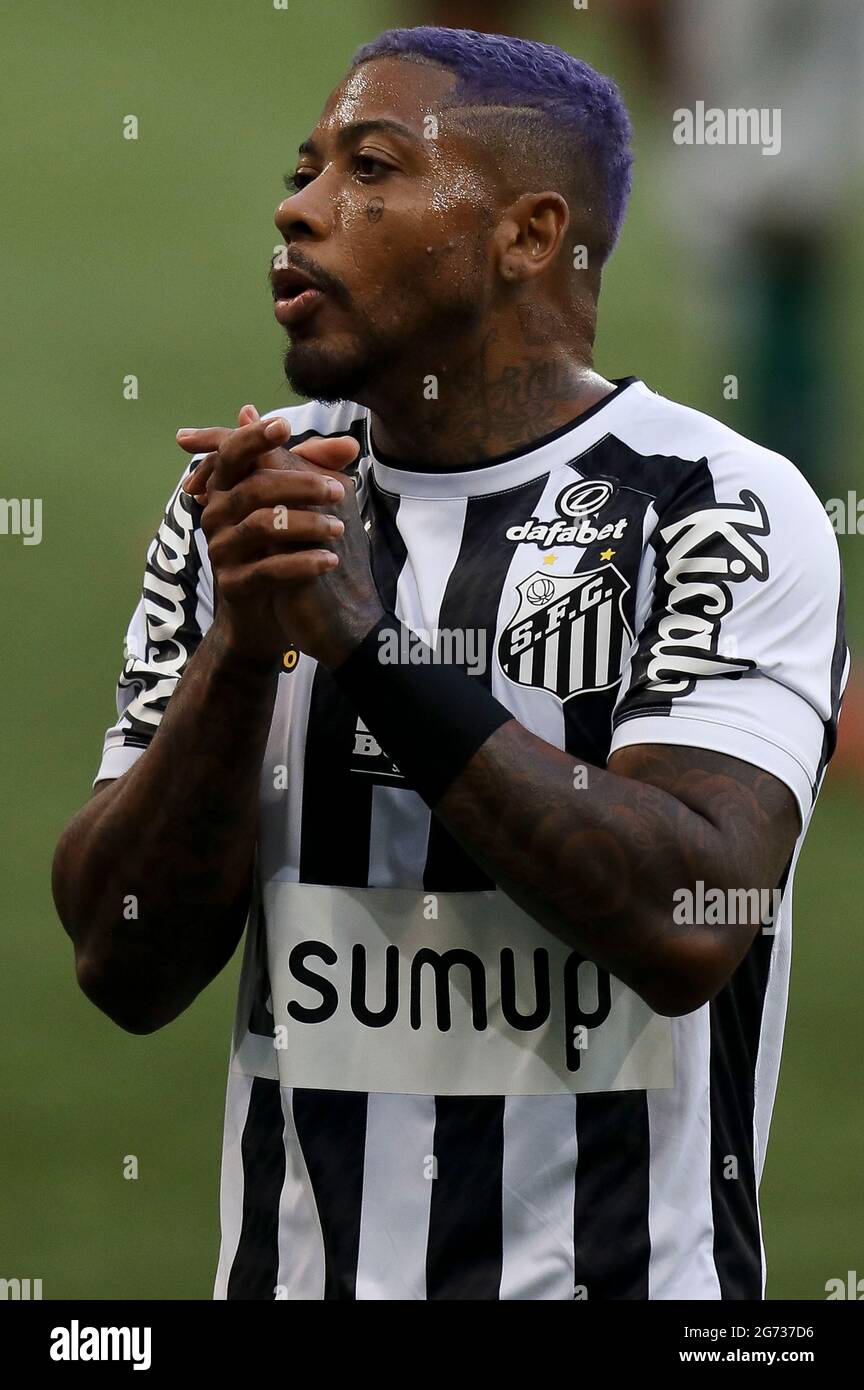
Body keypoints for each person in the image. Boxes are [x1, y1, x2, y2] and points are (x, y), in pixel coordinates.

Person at [53, 27, 847, 1301]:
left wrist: (368, 646)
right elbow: (121, 961)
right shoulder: (251, 508)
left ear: (528, 236)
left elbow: (688, 918)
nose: (298, 207)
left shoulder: (716, 506)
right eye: (305, 167)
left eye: (371, 168)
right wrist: (241, 657)